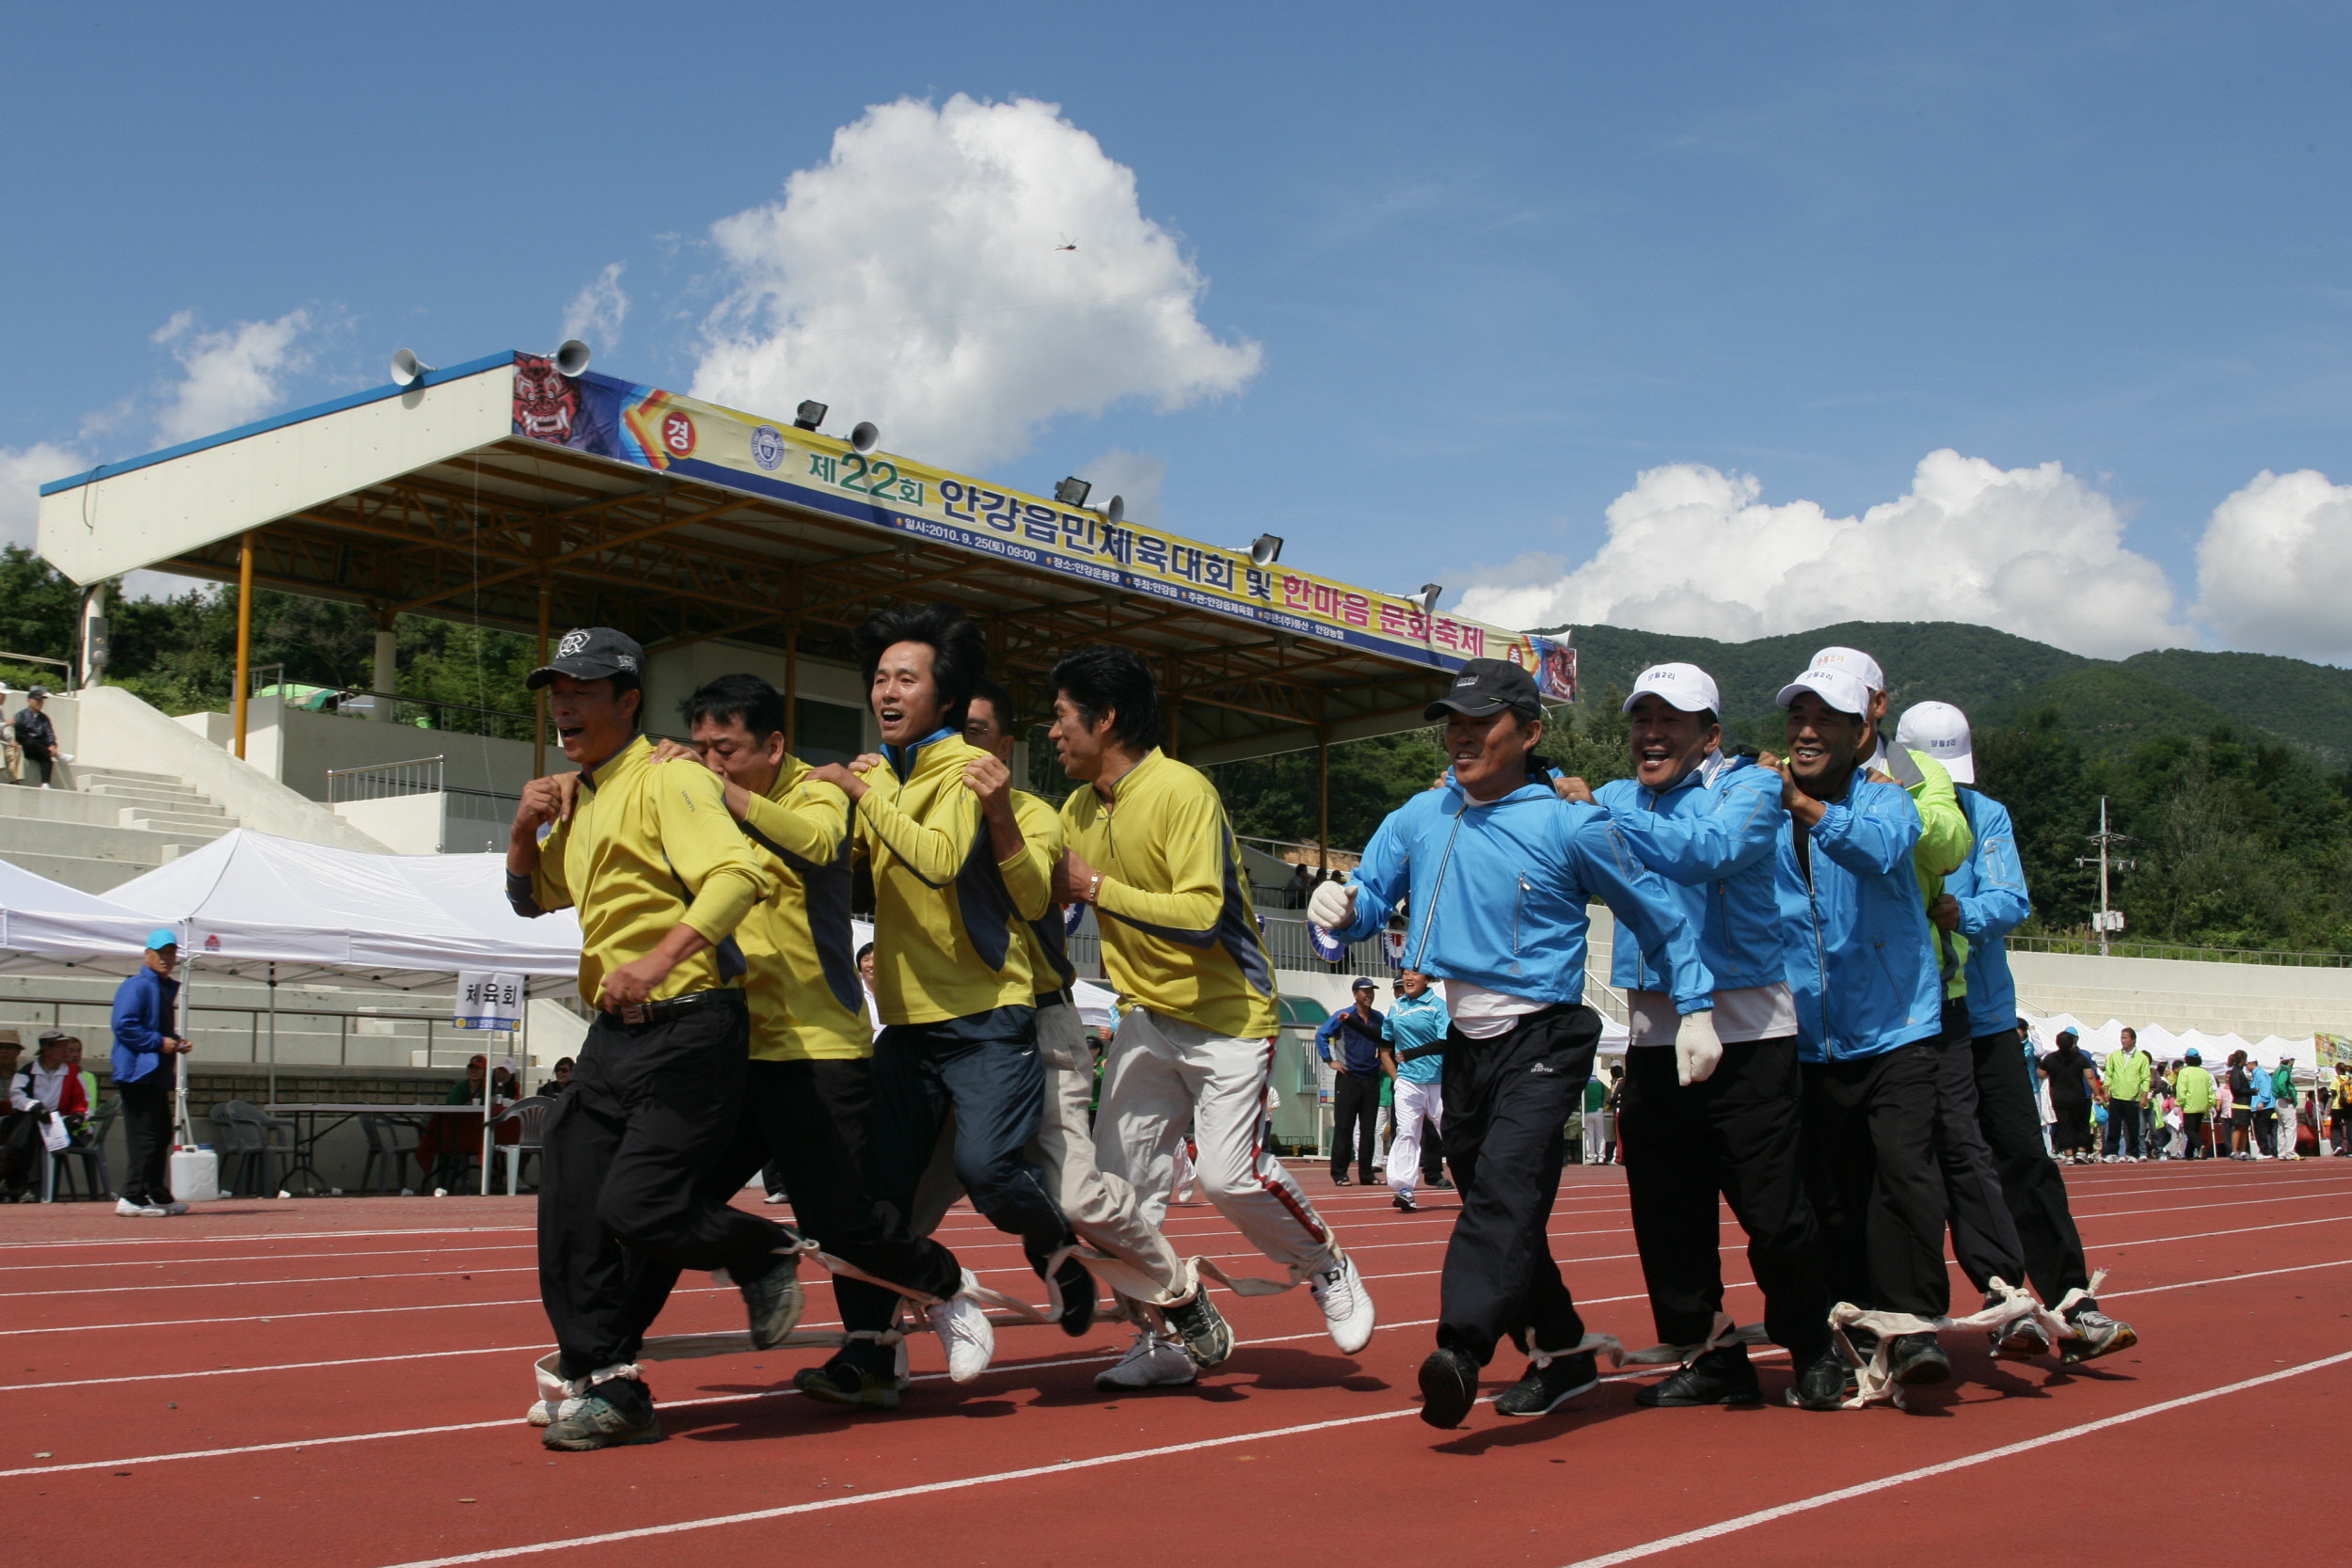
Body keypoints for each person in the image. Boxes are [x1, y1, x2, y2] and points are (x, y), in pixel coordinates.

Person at [1315, 657, 1717, 1428]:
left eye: (1481, 723)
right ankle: (1562, 1351)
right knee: (1503, 1208)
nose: (1461, 738)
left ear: (1529, 732)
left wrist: (1695, 1007)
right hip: (1464, 1042)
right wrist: (1342, 905)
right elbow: (1370, 900)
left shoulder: (1571, 822)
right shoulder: (1419, 816)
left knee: (1503, 1191)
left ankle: (1461, 1349)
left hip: (1549, 1033)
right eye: (1452, 724)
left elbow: (1657, 912)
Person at [659, 671, 987, 1410]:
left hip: (818, 1048)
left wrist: (714, 790)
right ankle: (607, 1362)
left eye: (727, 750)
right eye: (701, 749)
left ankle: (935, 1287)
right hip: (731, 1044)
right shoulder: (701, 800)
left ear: (774, 745)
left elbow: (816, 841)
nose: (710, 764)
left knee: (844, 1223)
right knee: (664, 1200)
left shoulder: (819, 789)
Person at [1051, 643, 1375, 1387]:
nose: (1054, 733)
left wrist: (1093, 885)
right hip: (1145, 1018)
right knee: (1116, 1194)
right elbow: (1062, 897)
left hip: (1229, 1014)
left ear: (1105, 719)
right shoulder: (1074, 808)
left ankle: (1324, 1260)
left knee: (1230, 1178)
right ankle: (1158, 1337)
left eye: (1063, 717)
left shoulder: (1181, 790)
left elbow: (1200, 914)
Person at [506, 626, 799, 1451]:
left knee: (638, 1206)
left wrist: (661, 955)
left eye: (584, 689)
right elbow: (534, 898)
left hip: (690, 1025)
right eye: (556, 689)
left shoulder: (673, 783)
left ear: (627, 701)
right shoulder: (586, 795)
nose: (564, 704)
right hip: (612, 1037)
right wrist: (525, 827)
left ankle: (761, 1250)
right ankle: (608, 1383)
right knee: (568, 1201)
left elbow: (738, 876)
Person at [804, 604, 1073, 1395]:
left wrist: (862, 788)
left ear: (943, 699)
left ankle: (1058, 1242)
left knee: (987, 1168)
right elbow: (847, 858)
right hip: (908, 1024)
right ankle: (868, 1352)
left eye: (906, 678)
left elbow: (936, 858)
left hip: (988, 1015)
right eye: (880, 678)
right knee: (872, 1198)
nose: (887, 691)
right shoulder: (889, 770)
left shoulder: (958, 767)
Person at [1574, 661, 1842, 1410]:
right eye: (1642, 719)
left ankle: (1814, 1344)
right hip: (1657, 1035)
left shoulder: (1751, 788)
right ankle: (1712, 1353)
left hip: (1750, 1031)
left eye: (1672, 721)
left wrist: (1597, 814)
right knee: (1667, 1216)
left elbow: (1708, 851)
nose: (1652, 734)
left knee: (1775, 1212)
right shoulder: (1616, 795)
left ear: (1709, 734)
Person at [959, 675, 1232, 1389]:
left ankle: (1182, 1288)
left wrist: (1090, 884)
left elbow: (1195, 910)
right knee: (901, 1199)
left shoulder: (1051, 815)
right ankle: (876, 1343)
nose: (958, 754)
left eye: (977, 735)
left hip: (1052, 1020)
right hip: (936, 1029)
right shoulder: (895, 808)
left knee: (1104, 1194)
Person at [1768, 666, 1952, 1387]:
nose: (1807, 731)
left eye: (1828, 717)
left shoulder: (1893, 786)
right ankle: (1851, 1323)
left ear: (1864, 726)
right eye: (1797, 716)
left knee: (1903, 1173)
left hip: (1898, 1022)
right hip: (1809, 1033)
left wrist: (1803, 804)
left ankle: (1911, 1326)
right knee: (1830, 1194)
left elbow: (1881, 847)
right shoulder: (1764, 789)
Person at [111, 929, 192, 1217]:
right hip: (137, 1073)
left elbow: (153, 1029)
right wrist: (160, 1042)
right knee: (144, 1136)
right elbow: (124, 1025)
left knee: (160, 1134)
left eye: (171, 953)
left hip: (155, 1072)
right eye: (161, 953)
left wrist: (175, 1041)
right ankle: (132, 1195)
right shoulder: (137, 986)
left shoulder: (161, 986)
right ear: (147, 955)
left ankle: (155, 1193)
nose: (167, 959)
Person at [1380, 969, 1449, 1213]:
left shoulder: (1438, 1006)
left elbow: (1445, 1042)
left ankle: (1476, 1186)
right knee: (1406, 1132)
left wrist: (1413, 1054)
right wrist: (1397, 1077)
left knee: (1450, 1133)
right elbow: (1385, 1047)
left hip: (1438, 1081)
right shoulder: (1395, 1008)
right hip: (1408, 1082)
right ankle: (1404, 1190)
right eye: (1406, 974)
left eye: (1415, 974)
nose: (1409, 979)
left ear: (1427, 979)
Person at [1317, 980, 1385, 1185]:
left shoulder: (1378, 1018)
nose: (1368, 995)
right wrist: (1329, 1060)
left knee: (1369, 1129)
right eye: (1364, 991)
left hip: (1371, 1079)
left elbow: (1385, 1040)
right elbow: (1321, 1034)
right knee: (1344, 1127)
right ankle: (1340, 1173)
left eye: (1371, 991)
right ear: (1355, 994)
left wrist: (1382, 1062)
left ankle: (1366, 1174)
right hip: (1348, 1078)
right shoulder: (1344, 1015)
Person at [2039, 1032, 2102, 1164]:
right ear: (2073, 1043)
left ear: (2057, 1043)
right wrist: (2097, 1093)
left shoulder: (2050, 1058)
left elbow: (2041, 1074)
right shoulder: (2080, 1058)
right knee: (2081, 1123)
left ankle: (2068, 1154)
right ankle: (2081, 1151)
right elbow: (2090, 1077)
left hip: (2059, 1096)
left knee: (2064, 1124)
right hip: (2078, 1096)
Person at [2101, 1028, 2151, 1162]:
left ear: (2133, 1039)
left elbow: (2145, 1078)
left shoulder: (2142, 1058)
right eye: (2122, 1038)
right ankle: (2112, 1152)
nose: (2123, 1041)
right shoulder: (2115, 1056)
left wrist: (2144, 1096)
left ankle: (2133, 1153)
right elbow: (2109, 1074)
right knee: (2114, 1126)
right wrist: (2106, 1090)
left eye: (2126, 1038)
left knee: (2133, 1127)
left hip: (2132, 1097)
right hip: (2116, 1096)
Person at [12, 687, 59, 788]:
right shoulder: (21, 715)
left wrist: (52, 745)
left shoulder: (44, 718)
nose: (40, 703)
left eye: (41, 701)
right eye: (37, 700)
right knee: (31, 741)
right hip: (26, 746)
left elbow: (49, 733)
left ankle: (45, 782)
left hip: (39, 748)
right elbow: (19, 734)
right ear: (30, 701)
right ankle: (57, 754)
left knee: (46, 758)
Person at [2174, 1048, 2216, 1160]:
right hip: (2203, 1105)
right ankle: (2188, 1153)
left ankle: (2201, 1146)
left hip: (2190, 1104)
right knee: (2195, 1129)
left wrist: (2178, 1103)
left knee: (2189, 1129)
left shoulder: (2184, 1072)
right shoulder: (2205, 1073)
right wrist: (2211, 1104)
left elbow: (2181, 1089)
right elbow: (2210, 1090)